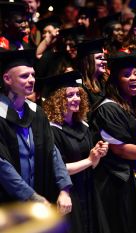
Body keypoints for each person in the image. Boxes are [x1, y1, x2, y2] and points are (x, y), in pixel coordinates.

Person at [91, 51, 136, 233]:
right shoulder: (107, 108)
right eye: (126, 75)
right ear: (115, 80)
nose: (133, 78)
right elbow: (119, 149)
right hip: (119, 180)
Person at [0, 49, 72, 215]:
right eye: (24, 76)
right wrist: (31, 197)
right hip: (9, 205)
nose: (32, 80)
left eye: (32, 75)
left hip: (41, 199)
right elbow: (2, 166)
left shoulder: (36, 112)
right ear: (7, 79)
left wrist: (64, 189)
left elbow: (52, 151)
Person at [41, 70, 109, 233]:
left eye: (78, 94)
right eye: (70, 95)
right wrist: (89, 160)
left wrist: (98, 154)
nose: (76, 98)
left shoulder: (84, 126)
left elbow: (93, 164)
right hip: (67, 193)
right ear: (58, 100)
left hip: (88, 188)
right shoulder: (51, 130)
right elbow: (57, 168)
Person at [75, 38, 107, 109]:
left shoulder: (106, 82)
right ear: (87, 62)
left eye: (103, 57)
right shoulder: (80, 87)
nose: (105, 61)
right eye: (99, 58)